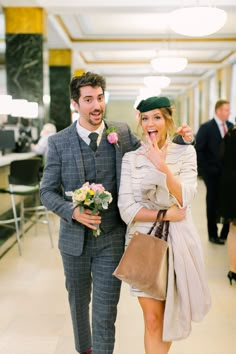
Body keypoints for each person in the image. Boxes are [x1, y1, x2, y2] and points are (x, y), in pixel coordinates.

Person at [40, 72, 194, 354]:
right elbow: (46, 192)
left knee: (105, 308)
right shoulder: (59, 142)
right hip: (73, 241)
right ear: (76, 103)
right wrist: (73, 211)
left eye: (100, 98)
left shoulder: (121, 133)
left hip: (111, 238)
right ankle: (84, 348)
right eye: (88, 100)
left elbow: (152, 150)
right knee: (78, 301)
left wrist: (181, 142)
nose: (96, 105)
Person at [118, 96, 211, 354]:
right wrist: (164, 215)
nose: (151, 123)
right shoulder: (131, 159)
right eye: (145, 118)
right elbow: (127, 210)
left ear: (168, 120)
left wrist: (163, 168)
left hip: (178, 246)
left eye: (157, 117)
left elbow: (186, 197)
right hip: (143, 246)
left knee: (168, 316)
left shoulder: (185, 151)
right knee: (152, 319)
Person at [195, 99, 233, 245]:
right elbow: (199, 151)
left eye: (229, 110)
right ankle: (212, 234)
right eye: (226, 110)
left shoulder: (231, 127)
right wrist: (206, 170)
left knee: (228, 202)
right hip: (212, 174)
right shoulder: (206, 127)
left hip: (228, 175)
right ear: (218, 111)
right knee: (212, 202)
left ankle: (225, 233)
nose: (228, 112)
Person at [217, 124, 236, 284]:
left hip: (230, 185)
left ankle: (233, 270)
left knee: (233, 228)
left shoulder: (229, 135)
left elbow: (221, 158)